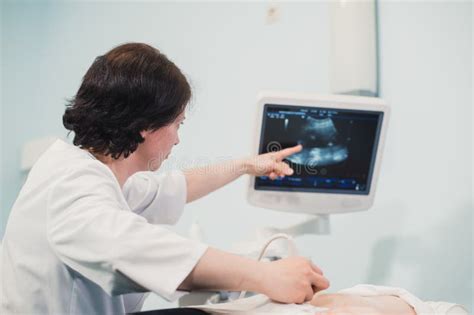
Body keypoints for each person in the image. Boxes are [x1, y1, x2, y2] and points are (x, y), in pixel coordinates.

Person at [0, 43, 329, 314]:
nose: (177, 139)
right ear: (145, 123)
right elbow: (128, 247)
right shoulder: (71, 183)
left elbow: (176, 187)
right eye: (177, 124)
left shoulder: (100, 175)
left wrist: (246, 165)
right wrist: (264, 275)